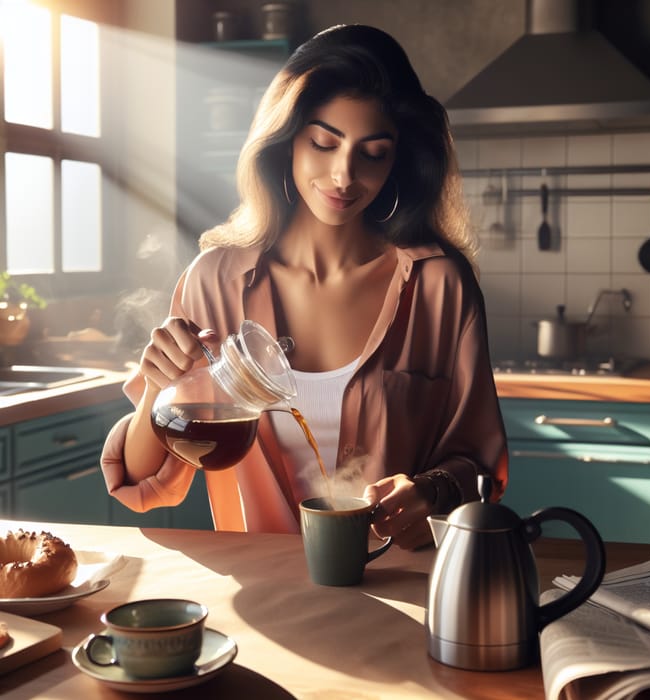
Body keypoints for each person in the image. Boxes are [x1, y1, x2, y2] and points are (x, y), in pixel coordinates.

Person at [101, 24, 508, 550]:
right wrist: (157, 386)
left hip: (401, 590)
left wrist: (429, 490)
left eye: (374, 152)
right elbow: (145, 483)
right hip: (266, 596)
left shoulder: (439, 287)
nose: (344, 175)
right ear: (285, 140)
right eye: (323, 142)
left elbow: (480, 466)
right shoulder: (215, 281)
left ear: (399, 160)